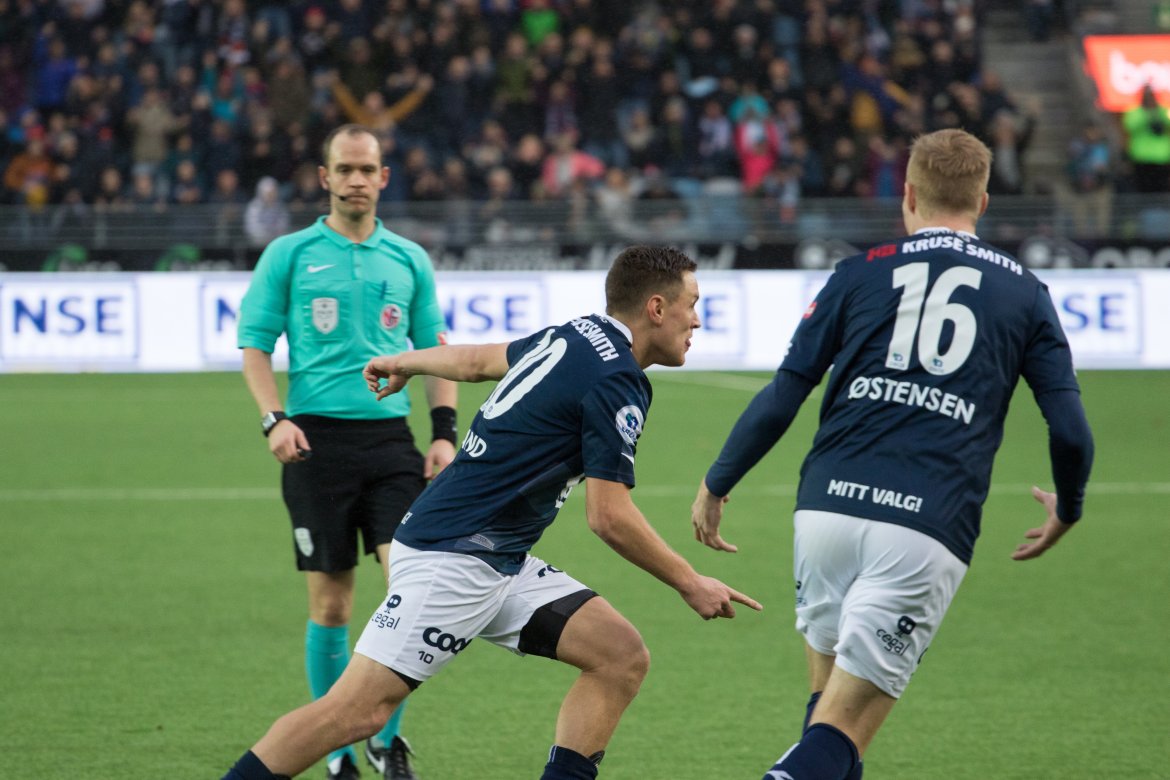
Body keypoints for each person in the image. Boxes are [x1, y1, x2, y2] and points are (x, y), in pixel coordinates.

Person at [223, 245, 763, 780]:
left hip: (493, 555)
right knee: (357, 712)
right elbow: (608, 516)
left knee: (619, 656)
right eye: (692, 303)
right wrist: (689, 582)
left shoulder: (575, 334)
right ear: (656, 308)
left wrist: (406, 362)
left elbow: (478, 361)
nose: (697, 319)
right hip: (454, 556)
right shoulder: (618, 380)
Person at [690, 128, 1094, 780]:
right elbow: (1071, 432)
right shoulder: (1025, 293)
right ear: (984, 200)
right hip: (925, 523)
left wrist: (717, 481)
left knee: (828, 714)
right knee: (843, 731)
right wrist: (1068, 508)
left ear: (906, 192)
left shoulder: (858, 272)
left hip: (824, 513)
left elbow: (784, 393)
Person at [236, 123, 457, 780]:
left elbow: (434, 350)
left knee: (410, 592)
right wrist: (273, 418)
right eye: (345, 169)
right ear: (325, 177)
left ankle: (386, 741)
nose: (357, 180)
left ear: (384, 177)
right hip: (315, 443)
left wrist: (444, 430)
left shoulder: (410, 258)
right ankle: (336, 749)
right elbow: (254, 343)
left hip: (392, 444)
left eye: (368, 169)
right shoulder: (290, 254)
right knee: (331, 604)